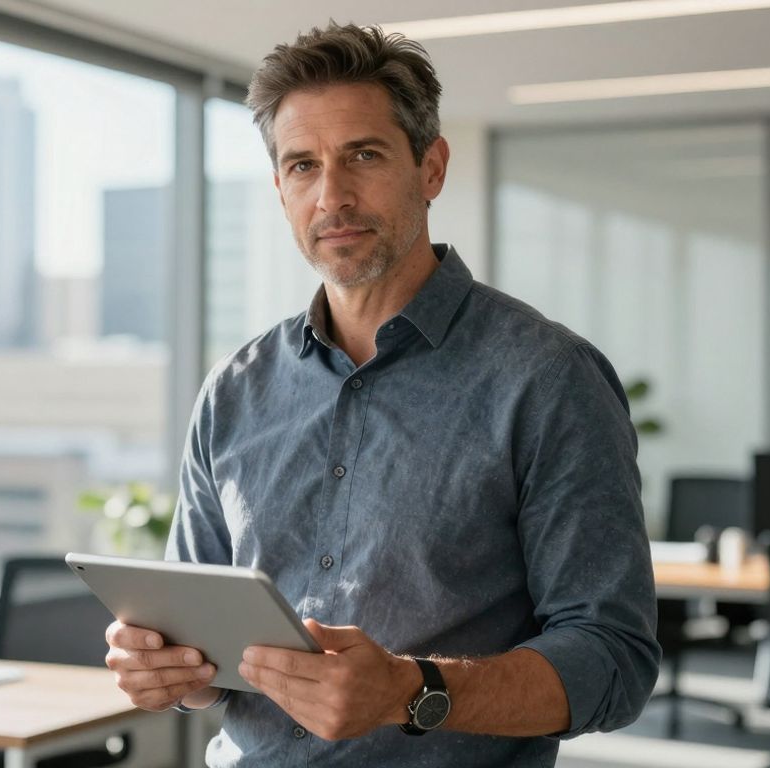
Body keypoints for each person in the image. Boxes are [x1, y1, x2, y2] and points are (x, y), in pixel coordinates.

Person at [104, 21, 659, 767]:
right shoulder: (234, 391)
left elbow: (613, 660)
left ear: (431, 168)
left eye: (363, 155)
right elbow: (202, 651)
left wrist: (411, 689)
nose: (332, 195)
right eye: (302, 165)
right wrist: (171, 670)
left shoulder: (547, 378)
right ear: (280, 189)